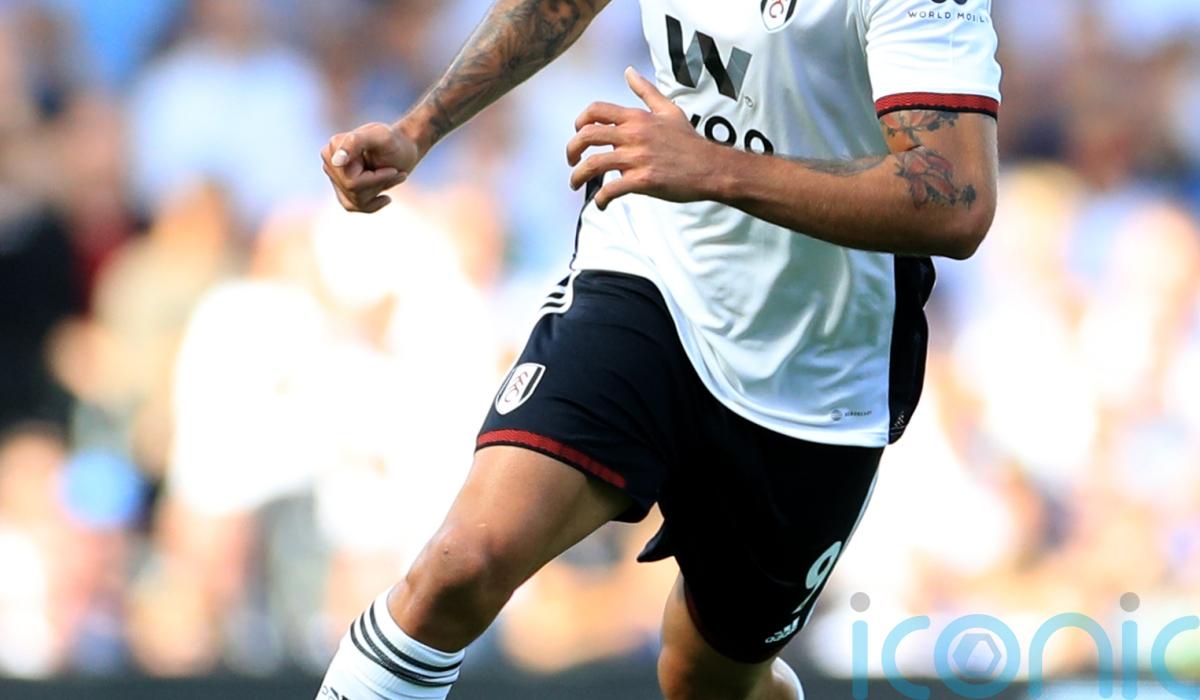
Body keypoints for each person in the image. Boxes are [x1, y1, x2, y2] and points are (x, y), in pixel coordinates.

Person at [315, 0, 1001, 697]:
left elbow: (958, 199)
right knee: (463, 564)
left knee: (704, 680)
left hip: (816, 364)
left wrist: (713, 168)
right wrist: (417, 130)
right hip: (652, 274)